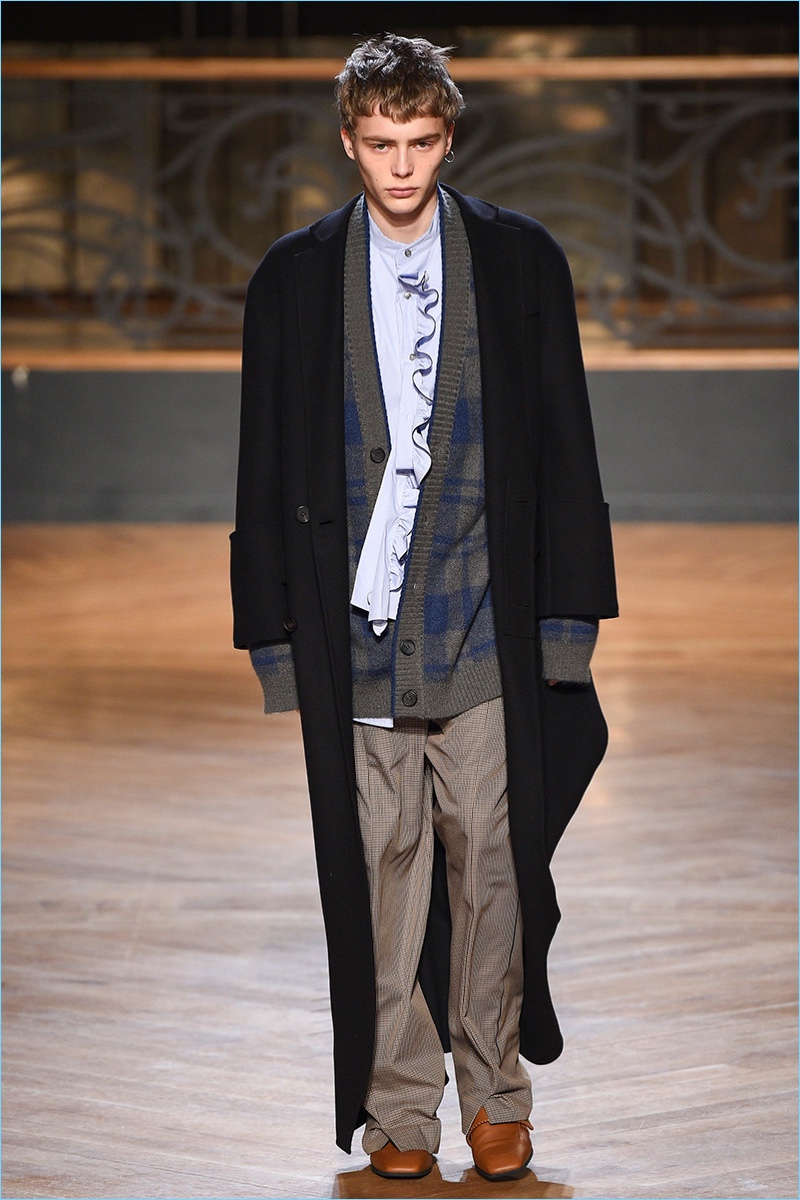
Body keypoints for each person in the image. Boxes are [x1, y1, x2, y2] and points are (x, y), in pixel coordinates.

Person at [231, 33, 618, 1183]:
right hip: (353, 642)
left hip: (483, 627)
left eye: (419, 141)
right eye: (378, 142)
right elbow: (262, 467)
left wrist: (565, 629)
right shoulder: (294, 278)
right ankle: (400, 1110)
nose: (399, 166)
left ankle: (496, 1097)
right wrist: (274, 645)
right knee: (382, 882)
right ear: (348, 142)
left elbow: (564, 445)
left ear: (448, 138)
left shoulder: (518, 260)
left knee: (493, 871)